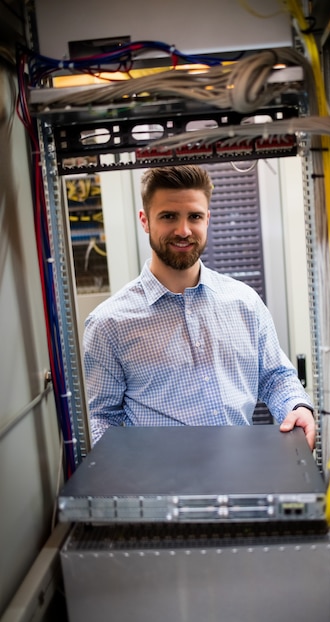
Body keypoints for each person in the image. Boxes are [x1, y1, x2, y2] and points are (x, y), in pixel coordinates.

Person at [83, 165, 316, 448]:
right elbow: (101, 419)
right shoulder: (109, 323)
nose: (183, 230)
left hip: (240, 475)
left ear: (207, 219)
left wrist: (297, 408)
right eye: (168, 216)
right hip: (159, 484)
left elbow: (275, 377)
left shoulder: (244, 302)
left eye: (194, 216)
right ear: (145, 221)